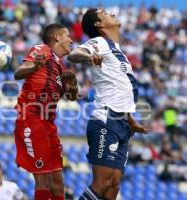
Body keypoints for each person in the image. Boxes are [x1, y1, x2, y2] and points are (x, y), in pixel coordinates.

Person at [68, 9, 150, 200]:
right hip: (107, 119)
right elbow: (74, 54)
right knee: (102, 183)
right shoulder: (100, 42)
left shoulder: (117, 50)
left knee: (113, 187)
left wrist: (131, 120)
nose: (110, 13)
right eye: (104, 13)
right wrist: (89, 57)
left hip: (122, 123)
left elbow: (121, 91)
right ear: (98, 24)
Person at [14, 23, 78, 200]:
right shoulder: (42, 50)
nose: (71, 40)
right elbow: (18, 73)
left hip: (49, 123)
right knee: (42, 180)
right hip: (31, 118)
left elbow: (72, 96)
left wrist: (73, 85)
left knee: (58, 182)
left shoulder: (62, 67)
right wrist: (34, 67)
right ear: (56, 37)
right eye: (67, 36)